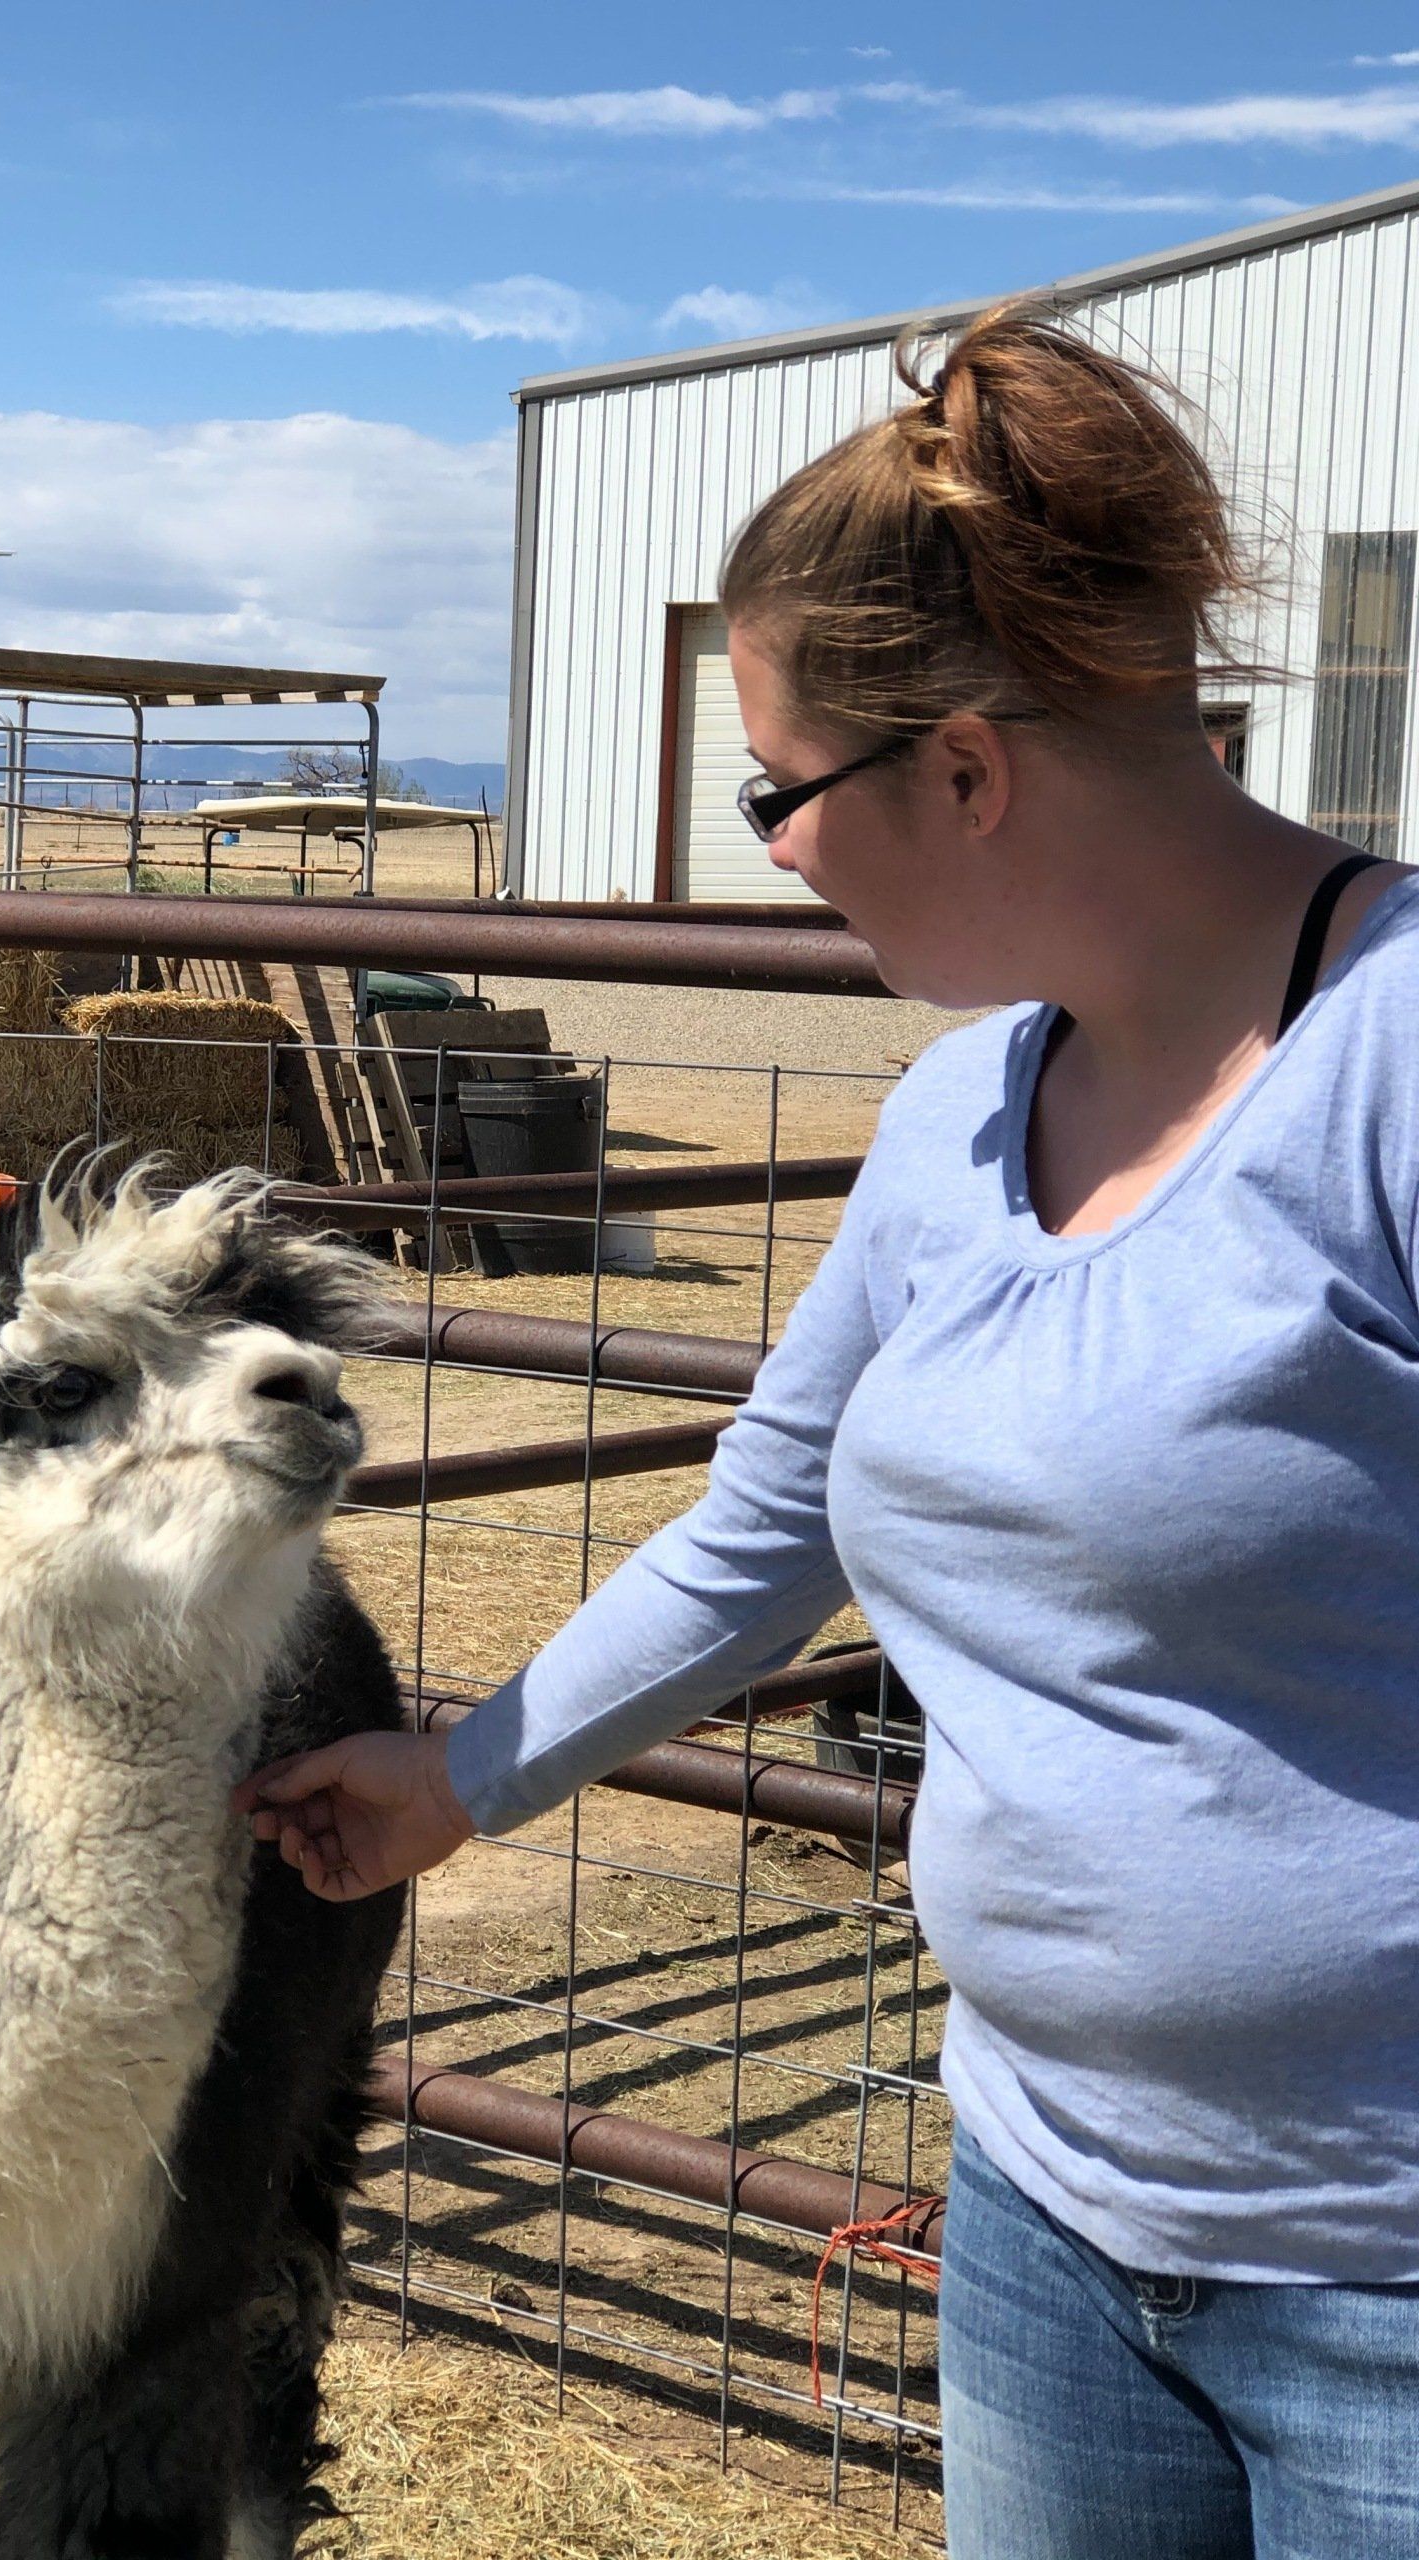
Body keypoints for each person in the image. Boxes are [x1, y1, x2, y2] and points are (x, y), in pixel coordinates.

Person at [234, 300, 1419, 2559]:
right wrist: (456, 1780)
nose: (773, 845)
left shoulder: (1393, 1071)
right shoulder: (960, 1110)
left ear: (964, 771)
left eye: (778, 785)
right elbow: (763, 1527)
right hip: (1054, 2220)